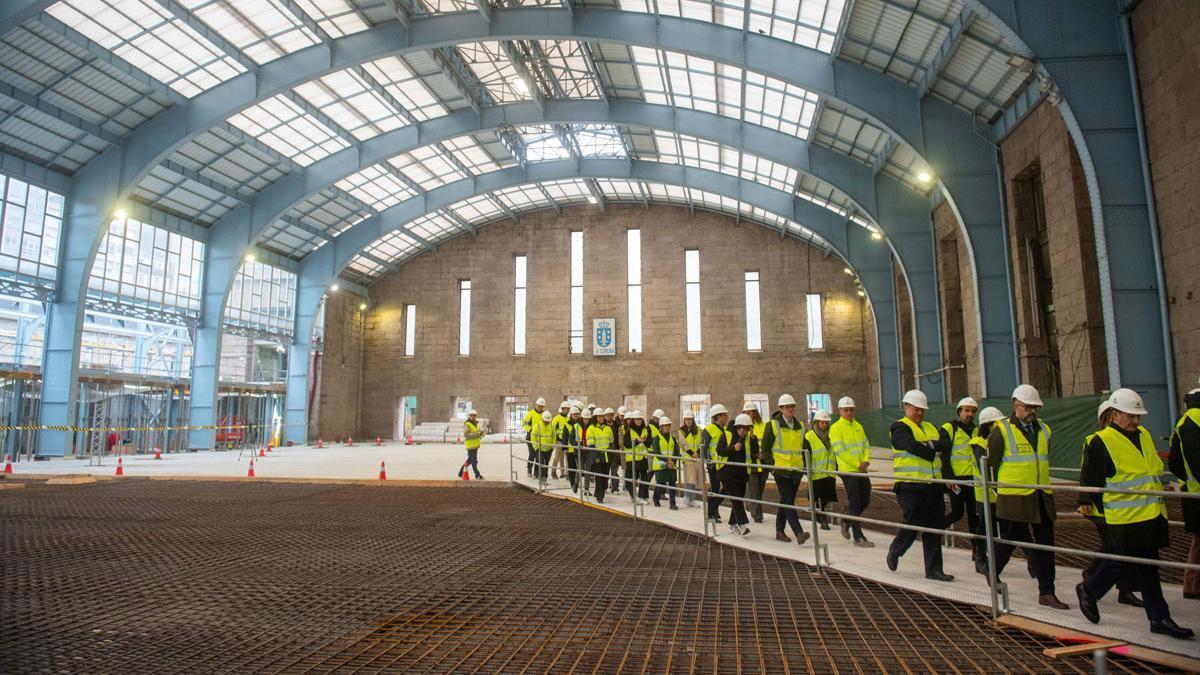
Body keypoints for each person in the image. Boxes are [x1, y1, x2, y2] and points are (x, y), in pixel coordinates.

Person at [1077, 389, 1194, 639]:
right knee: (1119, 563)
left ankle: (1159, 618)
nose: (1136, 420)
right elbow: (1091, 481)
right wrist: (1095, 511)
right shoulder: (1101, 441)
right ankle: (1089, 589)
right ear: (1115, 414)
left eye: (1138, 416)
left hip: (1150, 514)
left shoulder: (1144, 435)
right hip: (1123, 518)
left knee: (1149, 568)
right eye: (1131, 416)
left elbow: (1150, 471)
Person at [986, 384, 1069, 609]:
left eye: (1035, 408)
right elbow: (991, 464)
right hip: (1014, 496)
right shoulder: (1002, 430)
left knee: (1046, 544)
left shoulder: (1044, 430)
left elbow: (1042, 458)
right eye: (1028, 407)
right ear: (1016, 405)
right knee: (1010, 539)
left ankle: (1047, 592)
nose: (1032, 411)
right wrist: (998, 490)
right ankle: (991, 569)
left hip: (1041, 496)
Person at [1078, 400, 1142, 606]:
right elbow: (1087, 472)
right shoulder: (1095, 440)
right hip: (1102, 507)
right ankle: (1093, 578)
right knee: (1115, 548)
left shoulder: (1130, 438)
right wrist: (1085, 499)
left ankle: (1124, 588)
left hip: (1124, 507)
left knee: (1118, 548)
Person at [886, 389, 953, 581]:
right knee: (914, 520)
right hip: (910, 485)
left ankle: (934, 570)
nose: (920, 413)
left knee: (934, 527)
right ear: (906, 407)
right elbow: (910, 445)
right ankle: (896, 550)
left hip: (933, 485)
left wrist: (930, 445)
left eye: (922, 410)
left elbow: (947, 443)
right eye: (916, 409)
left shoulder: (931, 427)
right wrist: (932, 449)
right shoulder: (899, 427)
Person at [760, 394, 809, 545]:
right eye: (787, 407)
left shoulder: (800, 426)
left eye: (792, 407)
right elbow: (765, 449)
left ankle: (779, 531)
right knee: (788, 501)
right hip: (781, 470)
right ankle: (799, 532)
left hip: (796, 471)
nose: (790, 409)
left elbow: (803, 447)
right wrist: (772, 467)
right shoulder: (773, 425)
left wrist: (804, 467)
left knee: (786, 500)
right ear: (781, 409)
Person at [1169, 387, 1200, 600]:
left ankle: (1192, 585)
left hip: (1192, 493)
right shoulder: (1193, 421)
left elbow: (1175, 463)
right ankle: (1192, 585)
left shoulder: (1183, 422)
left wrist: (1187, 482)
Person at [942, 397, 982, 563]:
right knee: (957, 513)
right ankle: (935, 530)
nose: (969, 414)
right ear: (959, 412)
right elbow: (944, 455)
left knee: (975, 516)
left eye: (972, 411)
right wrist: (948, 478)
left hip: (974, 479)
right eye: (966, 410)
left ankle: (977, 551)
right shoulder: (949, 428)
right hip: (956, 480)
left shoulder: (978, 430)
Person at [830, 396, 873, 546]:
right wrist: (857, 464)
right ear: (840, 411)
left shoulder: (858, 426)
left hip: (861, 469)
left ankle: (846, 519)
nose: (848, 412)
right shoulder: (835, 428)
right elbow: (840, 450)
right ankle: (858, 536)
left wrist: (866, 460)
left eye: (850, 410)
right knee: (855, 501)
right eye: (846, 410)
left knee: (865, 499)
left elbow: (866, 444)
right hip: (848, 470)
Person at [971, 406, 1004, 575]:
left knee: (1008, 528)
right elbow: (984, 467)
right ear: (988, 425)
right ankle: (980, 557)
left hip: (1000, 494)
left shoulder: (998, 441)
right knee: (985, 528)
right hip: (985, 494)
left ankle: (1033, 564)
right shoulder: (979, 443)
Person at [712, 413, 755, 536]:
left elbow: (752, 453)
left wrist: (754, 439)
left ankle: (732, 524)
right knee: (736, 499)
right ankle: (743, 525)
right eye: (741, 428)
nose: (743, 431)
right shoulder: (727, 435)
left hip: (742, 474)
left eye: (746, 429)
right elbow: (719, 450)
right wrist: (732, 448)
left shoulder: (748, 439)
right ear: (737, 427)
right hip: (727, 474)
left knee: (739, 499)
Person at [804, 410, 841, 534]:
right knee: (818, 499)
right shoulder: (809, 436)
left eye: (826, 423)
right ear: (816, 423)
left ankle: (821, 517)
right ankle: (822, 518)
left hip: (829, 472)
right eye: (822, 422)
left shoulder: (832, 435)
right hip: (817, 473)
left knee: (827, 498)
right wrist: (807, 470)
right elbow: (806, 455)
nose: (824, 425)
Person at [702, 404, 731, 523]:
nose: (727, 417)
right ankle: (711, 515)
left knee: (727, 488)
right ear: (718, 416)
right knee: (714, 489)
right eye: (725, 415)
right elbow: (703, 448)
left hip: (723, 464)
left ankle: (715, 507)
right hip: (713, 465)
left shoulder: (725, 430)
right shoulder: (708, 430)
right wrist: (708, 462)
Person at [743, 402, 770, 523]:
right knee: (754, 490)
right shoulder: (744, 427)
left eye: (748, 412)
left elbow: (768, 442)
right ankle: (757, 515)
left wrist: (764, 455)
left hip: (763, 463)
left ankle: (750, 504)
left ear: (755, 413)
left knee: (760, 489)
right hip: (751, 463)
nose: (747, 415)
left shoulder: (764, 426)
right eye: (745, 413)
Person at [651, 417, 680, 509]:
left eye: (668, 425)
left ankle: (672, 504)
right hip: (661, 465)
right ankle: (656, 498)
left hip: (671, 465)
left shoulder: (673, 438)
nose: (667, 427)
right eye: (665, 426)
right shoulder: (657, 438)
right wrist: (667, 461)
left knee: (672, 483)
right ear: (661, 427)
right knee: (661, 483)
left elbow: (676, 451)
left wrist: (673, 461)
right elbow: (657, 452)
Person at [677, 410, 704, 508]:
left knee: (694, 479)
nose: (688, 421)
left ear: (693, 420)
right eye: (686, 419)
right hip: (687, 458)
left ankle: (691, 499)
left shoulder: (699, 430)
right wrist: (692, 453)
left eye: (690, 419)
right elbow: (683, 443)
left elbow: (701, 442)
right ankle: (687, 496)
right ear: (684, 420)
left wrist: (698, 452)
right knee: (690, 478)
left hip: (696, 458)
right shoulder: (681, 431)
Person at [588, 408, 616, 504]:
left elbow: (612, 442)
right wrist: (595, 457)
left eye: (602, 416)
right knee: (599, 477)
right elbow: (591, 445)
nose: (601, 418)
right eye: (599, 416)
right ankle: (600, 497)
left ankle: (598, 493)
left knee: (605, 477)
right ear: (595, 417)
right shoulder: (591, 429)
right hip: (598, 456)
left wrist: (612, 453)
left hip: (607, 456)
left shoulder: (607, 428)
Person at [623, 411, 651, 503]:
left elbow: (649, 442)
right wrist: (636, 441)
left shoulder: (645, 430)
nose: (639, 421)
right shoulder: (629, 431)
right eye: (637, 419)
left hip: (643, 458)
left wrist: (645, 441)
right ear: (633, 420)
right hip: (632, 459)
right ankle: (632, 495)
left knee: (644, 479)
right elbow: (626, 444)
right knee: (631, 479)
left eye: (640, 419)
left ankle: (642, 497)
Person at [523, 398, 547, 477]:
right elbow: (524, 423)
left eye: (542, 406)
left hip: (540, 439)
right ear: (536, 405)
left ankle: (536, 473)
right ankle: (529, 470)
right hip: (530, 437)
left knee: (538, 456)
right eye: (539, 406)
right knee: (532, 454)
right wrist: (530, 430)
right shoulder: (530, 414)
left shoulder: (544, 414)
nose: (540, 408)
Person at [533, 410, 556, 484]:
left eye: (548, 421)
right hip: (540, 449)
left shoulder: (551, 426)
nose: (547, 422)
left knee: (546, 464)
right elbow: (533, 438)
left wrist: (553, 446)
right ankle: (541, 478)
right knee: (541, 463)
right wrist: (536, 448)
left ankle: (544, 478)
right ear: (542, 419)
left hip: (549, 449)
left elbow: (554, 437)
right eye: (546, 420)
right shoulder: (537, 426)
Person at [564, 406, 583, 492]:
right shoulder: (567, 424)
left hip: (579, 450)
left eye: (577, 414)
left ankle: (576, 483)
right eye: (574, 414)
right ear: (571, 415)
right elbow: (565, 437)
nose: (576, 415)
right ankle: (573, 484)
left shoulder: (581, 424)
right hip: (570, 450)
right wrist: (565, 448)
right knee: (572, 468)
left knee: (578, 468)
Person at [549, 401, 570, 479]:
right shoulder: (556, 419)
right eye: (565, 409)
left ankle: (566, 473)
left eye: (568, 409)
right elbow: (552, 430)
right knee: (557, 457)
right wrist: (555, 440)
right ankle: (553, 472)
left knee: (566, 458)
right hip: (559, 441)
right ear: (562, 409)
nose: (566, 410)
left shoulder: (569, 418)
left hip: (567, 442)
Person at [462, 409, 485, 480]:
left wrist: (481, 433)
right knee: (474, 461)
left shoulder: (476, 424)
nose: (473, 417)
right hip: (470, 446)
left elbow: (478, 433)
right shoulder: (467, 424)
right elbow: (466, 435)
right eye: (471, 415)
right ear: (469, 416)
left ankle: (460, 473)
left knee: (469, 460)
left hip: (475, 445)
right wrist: (478, 434)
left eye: (474, 415)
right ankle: (477, 475)